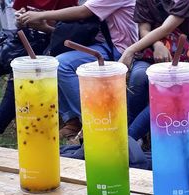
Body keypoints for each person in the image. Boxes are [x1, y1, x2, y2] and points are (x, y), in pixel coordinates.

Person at [19, 0, 138, 139]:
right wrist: (40, 22)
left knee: (61, 64)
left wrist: (40, 15)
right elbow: (79, 26)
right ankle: (72, 122)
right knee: (49, 62)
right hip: (99, 44)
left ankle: (95, 121)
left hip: (120, 49)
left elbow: (83, 11)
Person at [119, 0, 189, 142]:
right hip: (149, 54)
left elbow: (166, 28)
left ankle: (129, 138)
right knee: (138, 77)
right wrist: (157, 45)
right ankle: (135, 136)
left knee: (167, 91)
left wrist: (130, 50)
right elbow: (143, 29)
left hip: (183, 59)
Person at [0, 0, 78, 134]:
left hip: (52, 43)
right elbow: (18, 22)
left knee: (20, 76)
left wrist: (44, 27)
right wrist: (21, 20)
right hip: (25, 39)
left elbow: (67, 35)